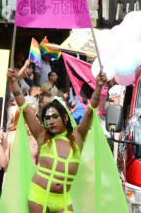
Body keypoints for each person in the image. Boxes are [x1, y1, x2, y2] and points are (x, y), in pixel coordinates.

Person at [7, 68, 107, 212]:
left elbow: (91, 110)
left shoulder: (77, 136)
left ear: (65, 118)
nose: (51, 121)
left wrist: (98, 87)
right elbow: (24, 108)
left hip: (64, 199)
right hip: (39, 195)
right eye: (47, 118)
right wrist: (14, 82)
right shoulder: (42, 135)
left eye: (55, 117)